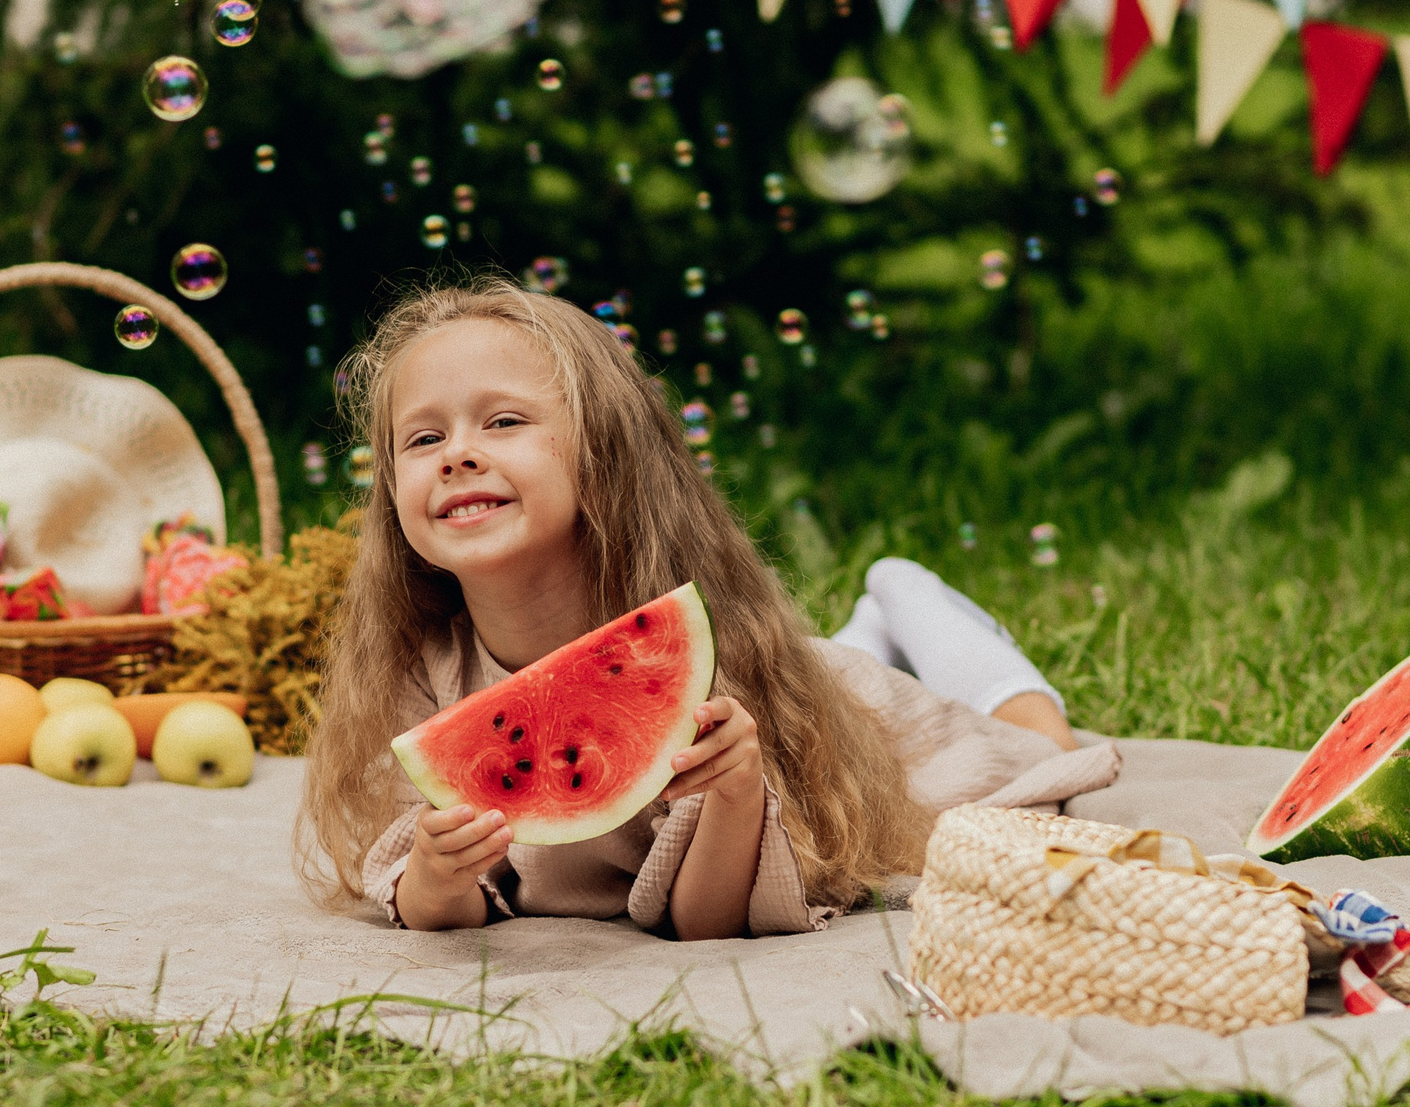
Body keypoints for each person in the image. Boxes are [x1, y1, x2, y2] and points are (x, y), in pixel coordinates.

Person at [298, 278, 1114, 940]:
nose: (458, 454)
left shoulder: (708, 662)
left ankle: (908, 597)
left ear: (604, 452)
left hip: (851, 707)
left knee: (1039, 753)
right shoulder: (423, 669)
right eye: (423, 438)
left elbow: (706, 923)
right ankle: (876, 619)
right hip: (809, 673)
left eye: (503, 420)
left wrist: (735, 791)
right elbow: (430, 899)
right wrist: (436, 876)